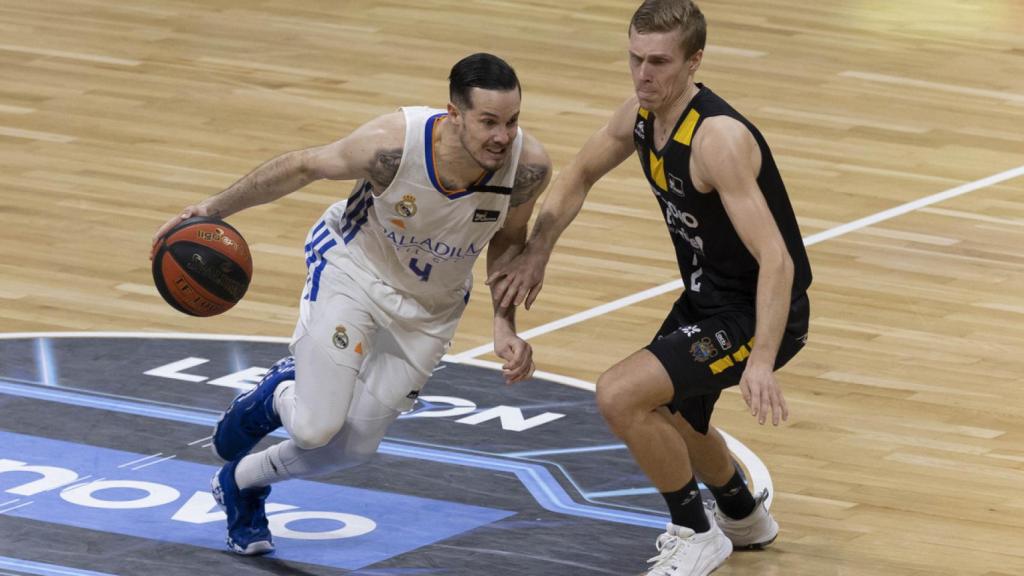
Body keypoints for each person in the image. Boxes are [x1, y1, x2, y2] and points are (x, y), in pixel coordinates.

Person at [151, 53, 551, 556]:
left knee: (354, 448)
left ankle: (242, 482)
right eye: (488, 122)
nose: (502, 136)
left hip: (431, 308)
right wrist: (211, 209)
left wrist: (503, 324)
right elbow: (301, 166)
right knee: (316, 427)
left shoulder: (528, 168)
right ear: (454, 114)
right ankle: (277, 396)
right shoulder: (392, 146)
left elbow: (509, 242)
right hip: (354, 273)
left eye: (511, 121)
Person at [487, 2, 812, 575]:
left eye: (659, 62)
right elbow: (579, 175)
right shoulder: (640, 116)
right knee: (679, 414)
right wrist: (538, 251)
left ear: (694, 62)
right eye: (635, 58)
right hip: (706, 297)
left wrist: (761, 358)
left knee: (619, 393)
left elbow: (777, 261)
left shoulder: (718, 140)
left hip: (757, 311)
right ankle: (743, 514)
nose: (643, 74)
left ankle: (695, 533)